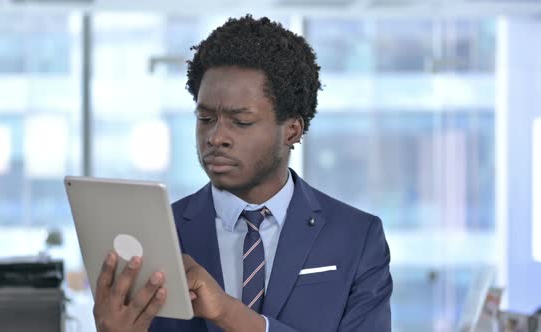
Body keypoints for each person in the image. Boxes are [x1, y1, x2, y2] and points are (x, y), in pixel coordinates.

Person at [92, 15, 393, 332]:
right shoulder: (158, 236)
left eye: (241, 122)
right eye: (206, 118)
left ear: (291, 130)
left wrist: (228, 313)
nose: (216, 137)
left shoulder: (356, 237)